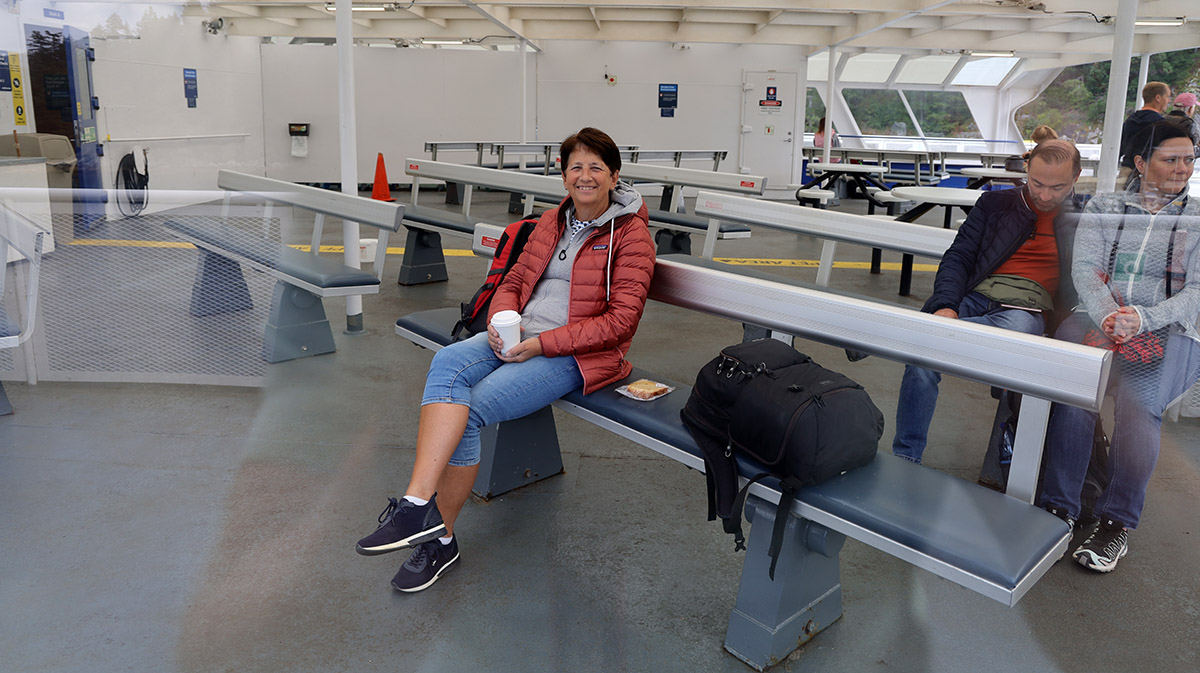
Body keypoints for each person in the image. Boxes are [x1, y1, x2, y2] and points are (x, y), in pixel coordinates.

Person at [354, 127, 656, 592]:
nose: (585, 176)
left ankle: (441, 540)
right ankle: (416, 505)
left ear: (614, 176)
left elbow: (621, 323)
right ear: (563, 176)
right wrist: (498, 321)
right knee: (448, 363)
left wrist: (543, 343)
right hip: (519, 335)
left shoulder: (631, 236)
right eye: (576, 166)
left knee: (472, 410)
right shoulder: (554, 221)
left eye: (597, 166)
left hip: (580, 354)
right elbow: (513, 280)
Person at [1039, 121, 1200, 573]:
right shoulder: (1108, 206)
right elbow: (1086, 267)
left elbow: (1197, 291)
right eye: (1171, 158)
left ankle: (1116, 522)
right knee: (1074, 390)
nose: (1183, 168)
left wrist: (1143, 318)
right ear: (1141, 162)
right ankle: (1060, 508)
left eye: (1190, 159)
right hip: (1100, 317)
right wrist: (1111, 313)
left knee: (1139, 401)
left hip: (1168, 328)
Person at [892, 140, 1084, 464]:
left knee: (926, 342)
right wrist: (946, 306)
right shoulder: (995, 204)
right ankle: (905, 459)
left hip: (1024, 310)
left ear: (1076, 178)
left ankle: (895, 333)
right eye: (1037, 183)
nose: (1045, 195)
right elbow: (959, 258)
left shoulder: (1086, 218)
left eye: (1058, 187)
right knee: (922, 360)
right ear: (1026, 169)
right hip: (975, 297)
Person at [1118, 81, 1172, 187]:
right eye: (1167, 97)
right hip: (1150, 174)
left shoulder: (1131, 120)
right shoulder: (1161, 124)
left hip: (1127, 170)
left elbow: (1121, 146)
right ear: (1158, 97)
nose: (1168, 101)